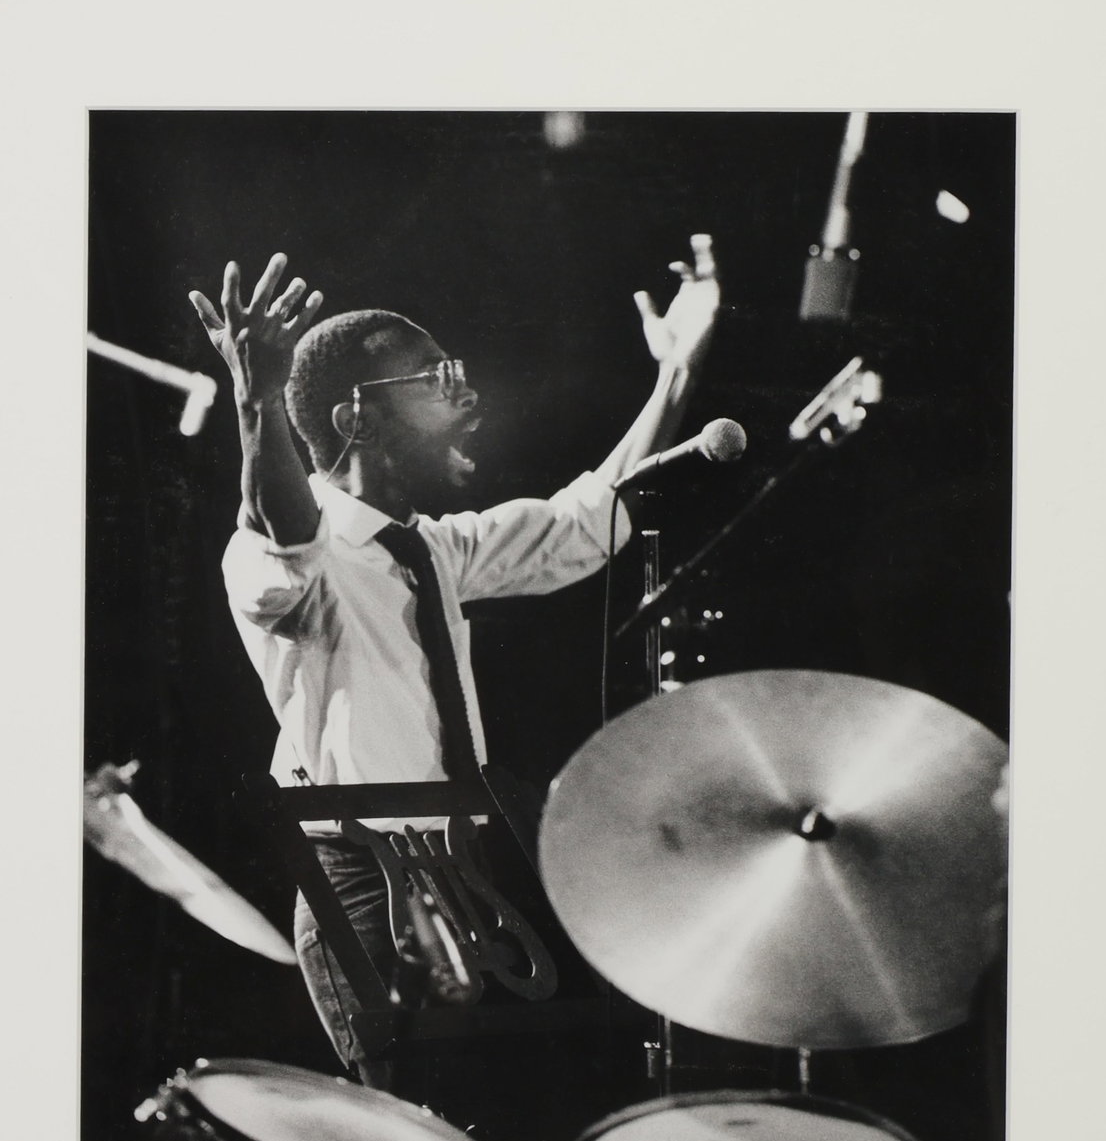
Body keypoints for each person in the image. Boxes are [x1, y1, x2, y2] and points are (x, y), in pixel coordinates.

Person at [188, 237, 721, 1086]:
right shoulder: (291, 560)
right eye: (435, 381)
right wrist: (255, 400)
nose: (466, 396)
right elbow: (285, 533)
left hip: (454, 879)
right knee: (414, 1136)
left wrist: (675, 379)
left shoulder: (432, 549)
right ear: (354, 415)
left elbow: (581, 526)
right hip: (361, 886)